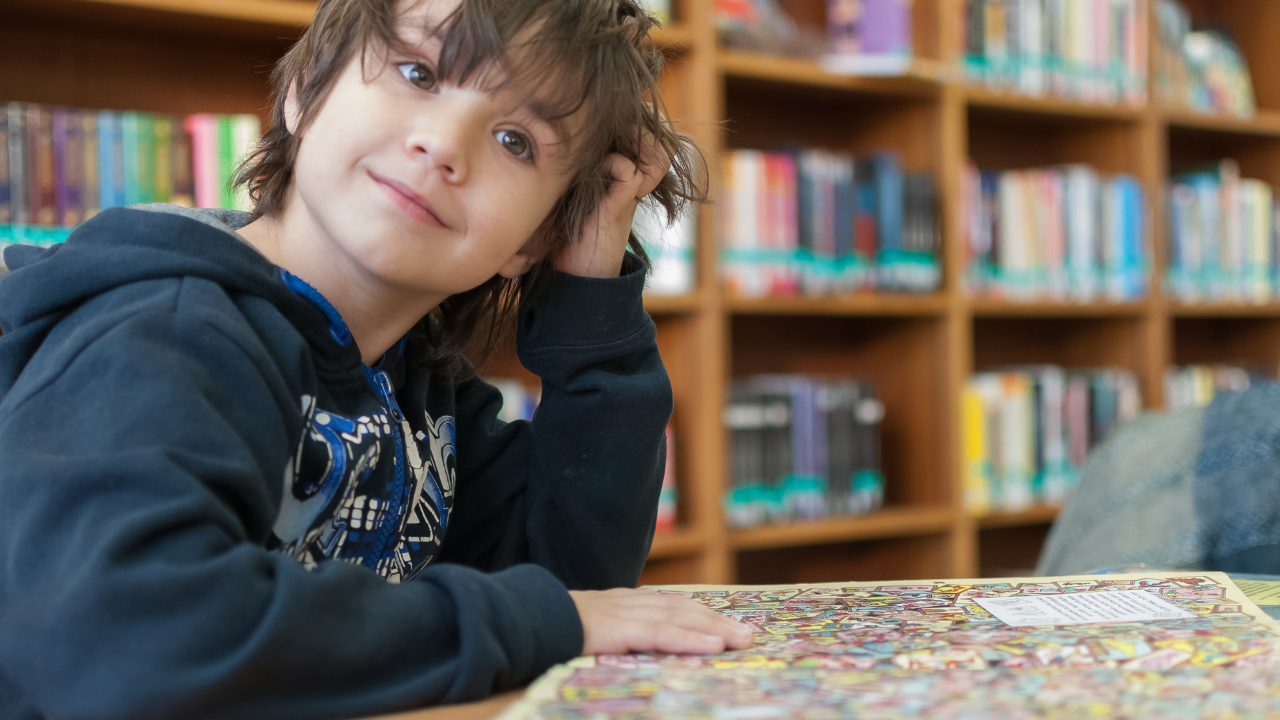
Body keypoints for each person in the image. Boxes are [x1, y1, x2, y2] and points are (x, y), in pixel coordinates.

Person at [0, 0, 752, 717]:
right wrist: (535, 621)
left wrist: (591, 295)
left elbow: (564, 584)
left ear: (531, 241)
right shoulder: (163, 332)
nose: (443, 146)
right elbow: (129, 643)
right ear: (304, 89)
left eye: (516, 141)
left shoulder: (416, 384)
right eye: (418, 74)